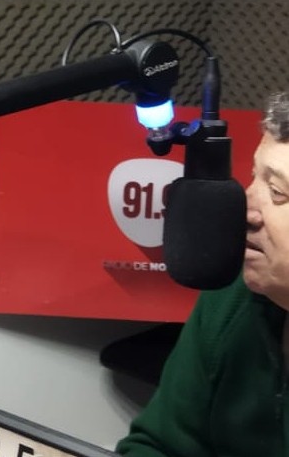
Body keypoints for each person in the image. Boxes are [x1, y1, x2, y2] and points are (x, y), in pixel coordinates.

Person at [116, 91, 289, 456]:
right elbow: (157, 445)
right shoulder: (234, 293)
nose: (245, 209)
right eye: (253, 177)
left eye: (276, 191)